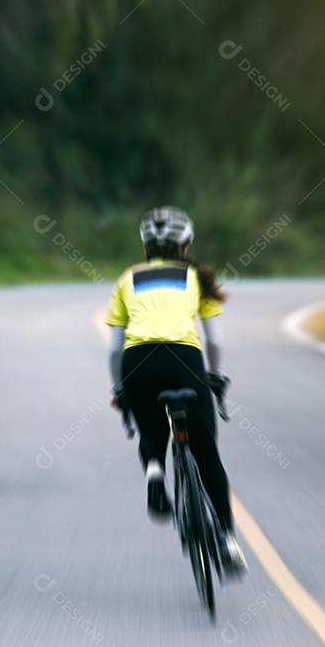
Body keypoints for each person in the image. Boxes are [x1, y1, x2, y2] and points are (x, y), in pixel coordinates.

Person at [105, 206, 247, 577]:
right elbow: (214, 339)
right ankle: (229, 543)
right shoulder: (196, 277)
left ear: (145, 246)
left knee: (153, 428)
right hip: (184, 361)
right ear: (185, 245)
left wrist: (120, 387)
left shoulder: (127, 278)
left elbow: (113, 347)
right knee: (206, 454)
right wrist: (213, 376)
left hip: (137, 362)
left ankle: (155, 471)